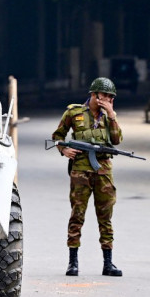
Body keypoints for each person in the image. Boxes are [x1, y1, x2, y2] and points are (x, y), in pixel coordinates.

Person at [50, 77, 124, 277]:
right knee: (77, 214)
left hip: (103, 171)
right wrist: (64, 150)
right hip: (81, 170)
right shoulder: (74, 112)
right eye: (105, 95)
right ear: (94, 94)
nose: (108, 99)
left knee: (105, 217)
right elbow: (57, 136)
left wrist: (111, 114)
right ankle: (72, 262)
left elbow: (116, 140)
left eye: (111, 97)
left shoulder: (109, 116)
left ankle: (108, 263)